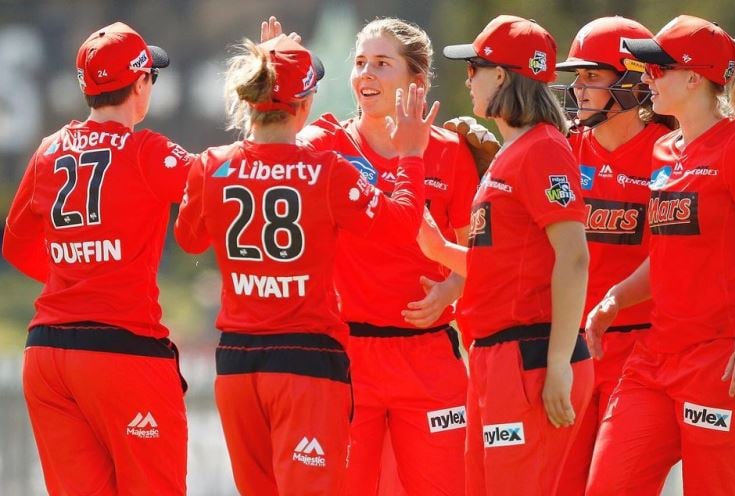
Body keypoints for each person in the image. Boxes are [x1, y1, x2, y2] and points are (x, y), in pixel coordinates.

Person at [173, 34, 437, 496]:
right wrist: (411, 156)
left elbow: (189, 238)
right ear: (306, 104)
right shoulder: (328, 170)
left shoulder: (212, 164)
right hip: (306, 363)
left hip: (236, 364)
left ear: (251, 99)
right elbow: (400, 226)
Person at [585, 15, 735, 495]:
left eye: (658, 69)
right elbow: (667, 256)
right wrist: (616, 299)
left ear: (695, 77)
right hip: (656, 361)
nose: (647, 77)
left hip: (727, 363)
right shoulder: (664, 149)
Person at [281, 17, 479, 495]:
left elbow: (480, 257)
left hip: (429, 357)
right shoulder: (326, 144)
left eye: (382, 64)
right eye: (360, 62)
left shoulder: (451, 151)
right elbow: (272, 159)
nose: (366, 74)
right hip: (349, 358)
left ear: (417, 80)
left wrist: (452, 287)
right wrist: (276, 79)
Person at [2, 22, 191, 494]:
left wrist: (80, 272)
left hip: (47, 355)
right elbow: (225, 182)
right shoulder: (147, 151)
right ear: (140, 84)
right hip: (121, 353)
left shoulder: (48, 150)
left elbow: (16, 244)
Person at [419, 15, 593, 496]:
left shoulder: (542, 149)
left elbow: (574, 258)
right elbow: (503, 267)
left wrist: (558, 362)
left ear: (500, 75)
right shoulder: (515, 151)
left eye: (473, 68)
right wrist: (439, 249)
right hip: (499, 359)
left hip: (529, 355)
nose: (468, 79)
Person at [551, 16, 675, 495]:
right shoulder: (560, 147)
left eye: (592, 76)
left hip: (641, 351)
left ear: (631, 81)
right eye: (576, 76)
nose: (578, 89)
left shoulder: (669, 153)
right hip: (572, 348)